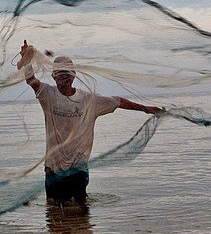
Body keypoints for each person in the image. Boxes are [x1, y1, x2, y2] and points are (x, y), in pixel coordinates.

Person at [17, 41, 161, 206]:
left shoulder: (88, 100)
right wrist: (26, 59)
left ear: (73, 76)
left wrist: (145, 108)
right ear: (53, 76)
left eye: (67, 74)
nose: (63, 78)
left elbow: (118, 101)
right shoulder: (48, 95)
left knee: (81, 211)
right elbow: (31, 80)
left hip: (78, 168)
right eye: (60, 74)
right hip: (53, 169)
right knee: (54, 214)